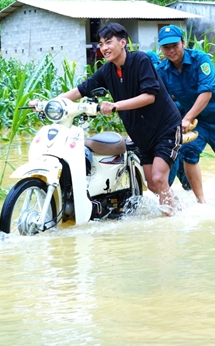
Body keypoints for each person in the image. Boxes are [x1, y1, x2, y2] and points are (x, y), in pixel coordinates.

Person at [43, 23, 182, 212]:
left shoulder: (140, 60)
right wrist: (50, 103)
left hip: (165, 127)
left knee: (159, 178)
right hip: (142, 135)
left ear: (123, 42)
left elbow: (149, 96)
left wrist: (116, 105)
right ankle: (180, 211)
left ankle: (172, 228)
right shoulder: (107, 71)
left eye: (108, 42)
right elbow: (81, 90)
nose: (104, 48)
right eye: (101, 44)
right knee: (153, 185)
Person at [156, 25, 215, 203]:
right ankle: (201, 202)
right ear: (161, 49)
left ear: (183, 43)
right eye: (166, 47)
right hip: (196, 121)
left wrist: (186, 118)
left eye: (174, 45)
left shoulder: (200, 60)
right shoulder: (162, 71)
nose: (171, 51)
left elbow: (206, 93)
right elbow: (158, 99)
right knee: (189, 153)